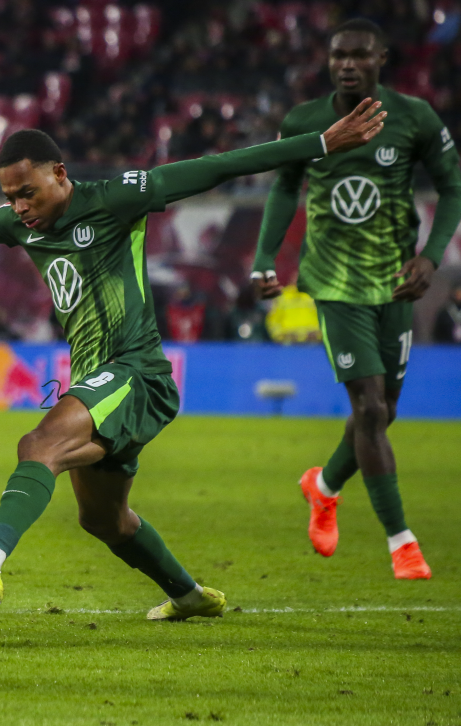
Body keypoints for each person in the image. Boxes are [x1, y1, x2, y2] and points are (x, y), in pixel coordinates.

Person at [0, 99, 385, 620]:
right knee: (104, 520)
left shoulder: (115, 199)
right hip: (98, 382)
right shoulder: (19, 226)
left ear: (59, 173)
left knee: (39, 444)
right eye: (10, 197)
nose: (19, 206)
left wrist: (320, 143)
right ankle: (189, 596)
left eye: (27, 192)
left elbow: (219, 167)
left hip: (136, 372)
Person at [251, 19, 461, 579]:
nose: (347, 64)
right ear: (328, 60)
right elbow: (284, 186)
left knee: (383, 411)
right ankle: (402, 542)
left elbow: (452, 185)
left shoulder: (414, 117)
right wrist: (265, 257)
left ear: (381, 58)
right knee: (368, 408)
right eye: (338, 55)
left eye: (360, 55)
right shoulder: (304, 121)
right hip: (335, 284)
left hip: (396, 283)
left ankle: (323, 487)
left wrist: (430, 257)